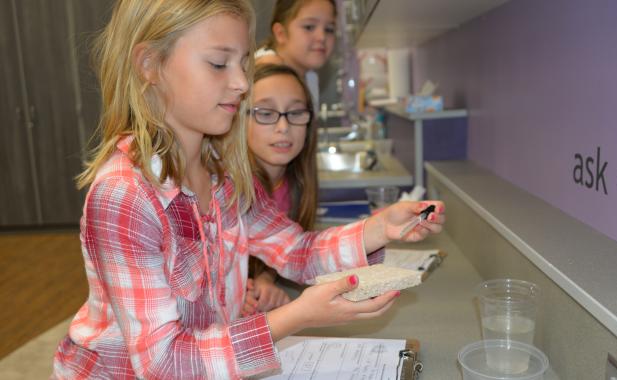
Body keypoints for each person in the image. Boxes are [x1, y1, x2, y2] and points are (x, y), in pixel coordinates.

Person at [51, 1, 445, 379]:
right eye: (219, 63)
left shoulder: (221, 174)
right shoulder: (125, 198)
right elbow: (164, 365)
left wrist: (381, 228)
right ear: (150, 64)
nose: (241, 83)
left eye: (242, 64)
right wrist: (297, 316)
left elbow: (296, 251)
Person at [241, 63, 318, 316]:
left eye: (295, 113)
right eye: (265, 113)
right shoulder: (227, 190)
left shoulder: (295, 186)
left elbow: (275, 253)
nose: (283, 127)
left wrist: (265, 279)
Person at [256, 0, 337, 113]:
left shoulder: (309, 76)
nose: (322, 37)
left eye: (329, 29)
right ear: (281, 33)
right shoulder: (268, 76)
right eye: (309, 27)